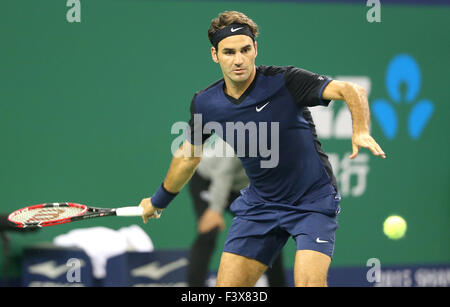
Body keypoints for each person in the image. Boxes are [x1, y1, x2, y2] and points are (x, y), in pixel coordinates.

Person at [139, 11, 385, 287]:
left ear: (255, 48)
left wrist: (361, 129)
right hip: (261, 204)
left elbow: (352, 91)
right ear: (214, 55)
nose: (239, 59)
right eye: (229, 52)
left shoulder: (287, 81)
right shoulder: (205, 103)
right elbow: (188, 157)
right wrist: (158, 201)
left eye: (245, 49)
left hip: (312, 201)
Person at [187, 137, 286, 287]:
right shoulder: (242, 138)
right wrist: (215, 210)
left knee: (270, 234)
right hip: (208, 180)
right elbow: (223, 174)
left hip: (241, 187)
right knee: (209, 232)